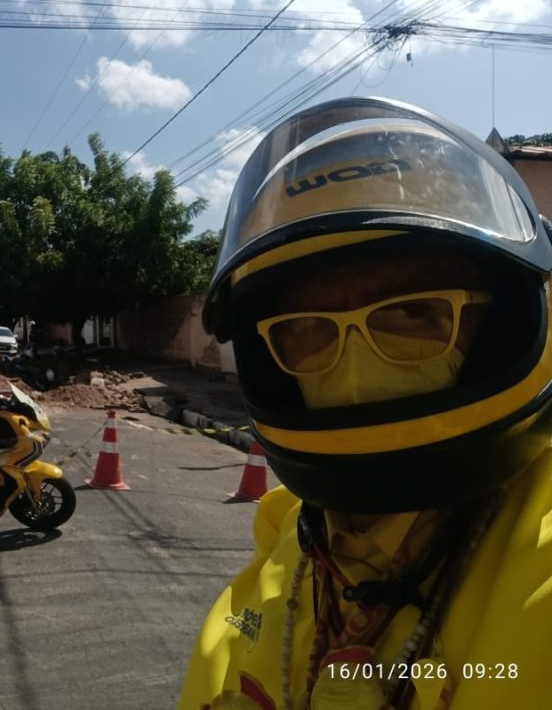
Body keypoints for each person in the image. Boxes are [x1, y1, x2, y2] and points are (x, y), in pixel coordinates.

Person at [177, 97, 552, 710]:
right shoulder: (277, 559)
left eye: (411, 311)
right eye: (307, 328)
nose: (354, 363)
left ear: (502, 326)